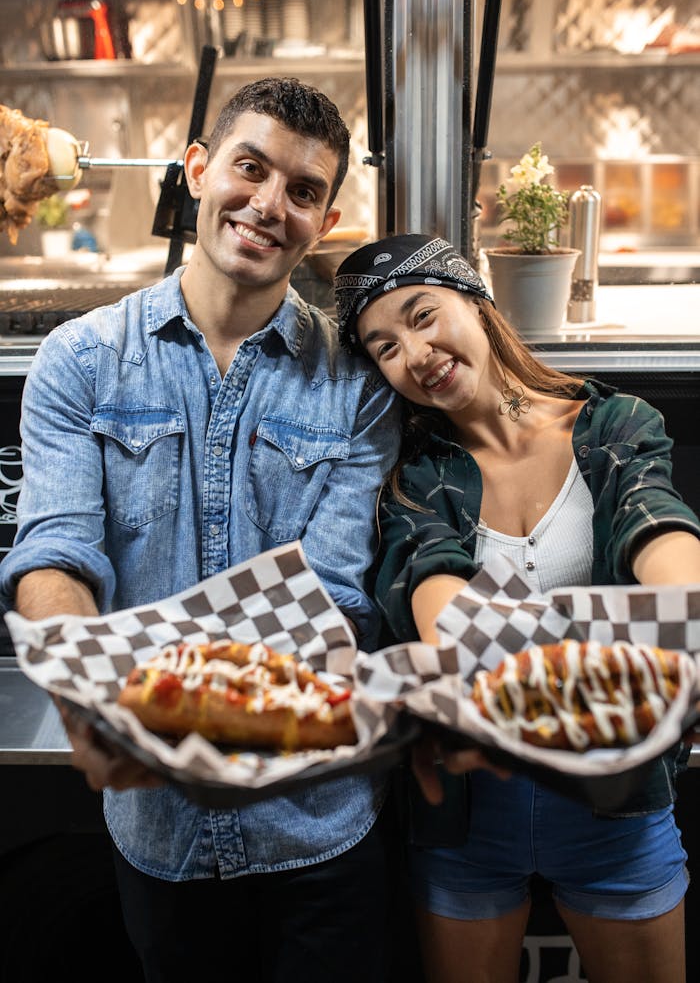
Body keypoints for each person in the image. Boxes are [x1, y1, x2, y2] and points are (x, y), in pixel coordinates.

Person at [0, 78, 401, 983]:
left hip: (318, 832)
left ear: (326, 218)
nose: (268, 207)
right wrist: (81, 684)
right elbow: (57, 551)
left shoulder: (358, 387)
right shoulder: (79, 360)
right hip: (162, 840)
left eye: (303, 192)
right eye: (250, 170)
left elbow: (330, 597)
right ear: (195, 171)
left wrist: (164, 701)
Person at [333, 232, 700, 983]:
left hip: (616, 805)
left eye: (424, 314)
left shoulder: (611, 425)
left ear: (475, 300)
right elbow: (430, 579)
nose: (415, 351)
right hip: (469, 816)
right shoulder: (412, 474)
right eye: (384, 346)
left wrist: (688, 615)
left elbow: (651, 519)